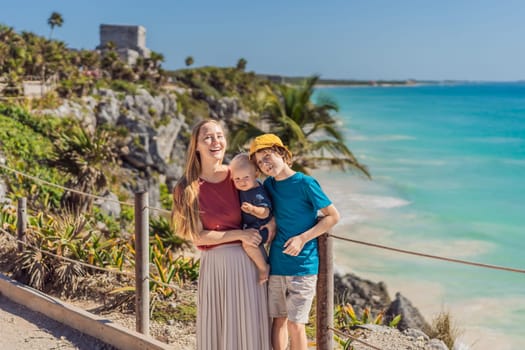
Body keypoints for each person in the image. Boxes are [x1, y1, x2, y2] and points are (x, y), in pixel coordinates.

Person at [171, 120, 271, 350]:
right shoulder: (187, 187)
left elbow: (265, 206)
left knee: (251, 330)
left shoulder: (238, 176)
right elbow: (197, 236)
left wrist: (272, 224)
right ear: (196, 145)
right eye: (208, 137)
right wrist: (238, 234)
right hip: (215, 267)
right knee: (219, 332)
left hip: (249, 264)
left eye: (219, 135)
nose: (215, 141)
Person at [249, 133, 340, 350]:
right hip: (277, 263)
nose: (265, 164)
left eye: (268, 156)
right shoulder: (269, 186)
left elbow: (333, 216)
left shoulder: (306, 183)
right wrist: (270, 223)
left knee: (295, 323)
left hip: (303, 266)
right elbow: (268, 211)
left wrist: (302, 238)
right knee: (278, 319)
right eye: (260, 162)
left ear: (281, 153)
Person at [230, 152, 272, 284]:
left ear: (256, 175)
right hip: (251, 226)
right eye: (237, 179)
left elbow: (265, 212)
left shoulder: (257, 192)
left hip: (262, 227)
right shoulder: (245, 188)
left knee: (248, 244)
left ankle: (263, 268)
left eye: (245, 177)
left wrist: (253, 210)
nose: (242, 182)